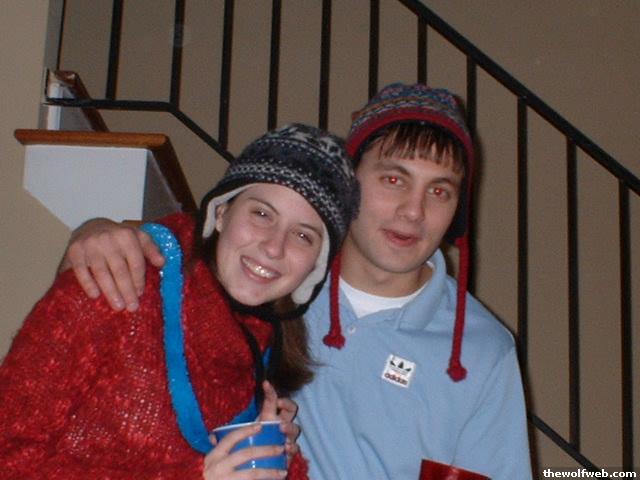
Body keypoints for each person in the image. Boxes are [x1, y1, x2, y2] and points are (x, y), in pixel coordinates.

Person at [55, 84, 532, 479]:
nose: (414, 211)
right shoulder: (274, 275)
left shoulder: (483, 352)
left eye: (440, 191)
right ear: (349, 183)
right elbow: (162, 267)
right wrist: (96, 231)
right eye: (393, 179)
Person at [0, 124, 360, 479]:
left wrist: (278, 461)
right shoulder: (114, 284)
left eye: (303, 236)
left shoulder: (261, 348)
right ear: (221, 213)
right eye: (262, 214)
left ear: (315, 266)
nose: (274, 247)